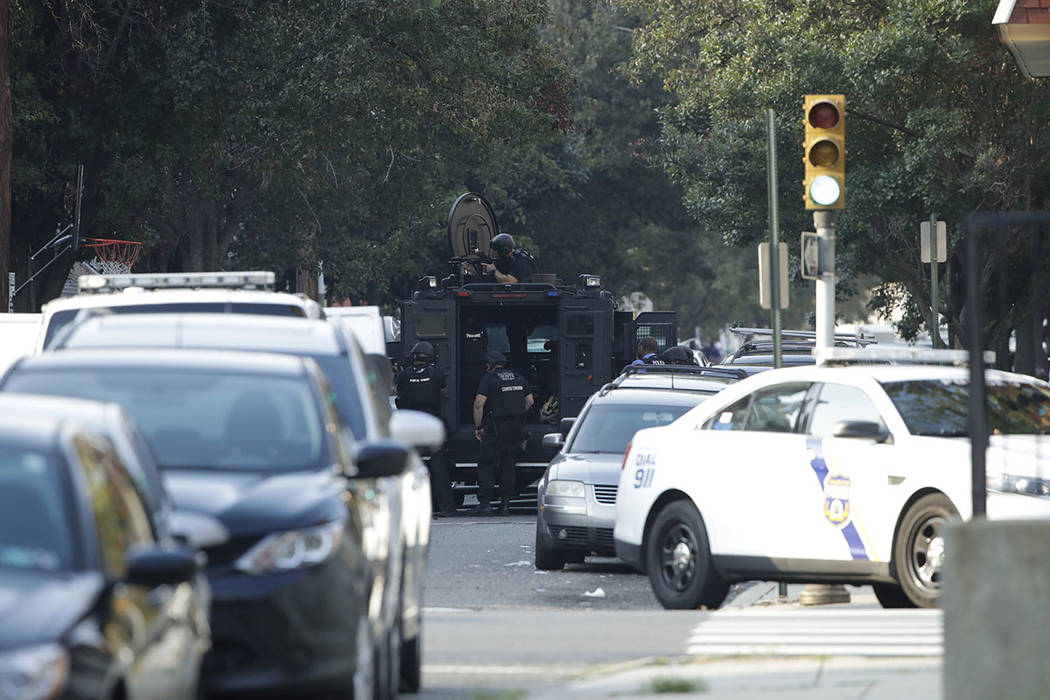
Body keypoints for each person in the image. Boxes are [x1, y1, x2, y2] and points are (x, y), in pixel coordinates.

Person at [394, 341, 457, 517]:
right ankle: (446, 507)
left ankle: (408, 508)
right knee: (439, 467)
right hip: (430, 425)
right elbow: (444, 392)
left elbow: (398, 393)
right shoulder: (436, 373)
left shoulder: (404, 375)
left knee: (408, 467)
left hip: (409, 426)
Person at [470, 351, 534, 516]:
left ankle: (485, 504)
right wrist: (519, 416)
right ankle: (505, 504)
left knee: (487, 465)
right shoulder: (519, 377)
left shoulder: (489, 379)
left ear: (491, 364)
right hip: (515, 428)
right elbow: (530, 402)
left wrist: (478, 427)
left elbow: (479, 404)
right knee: (508, 465)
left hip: (495, 427)